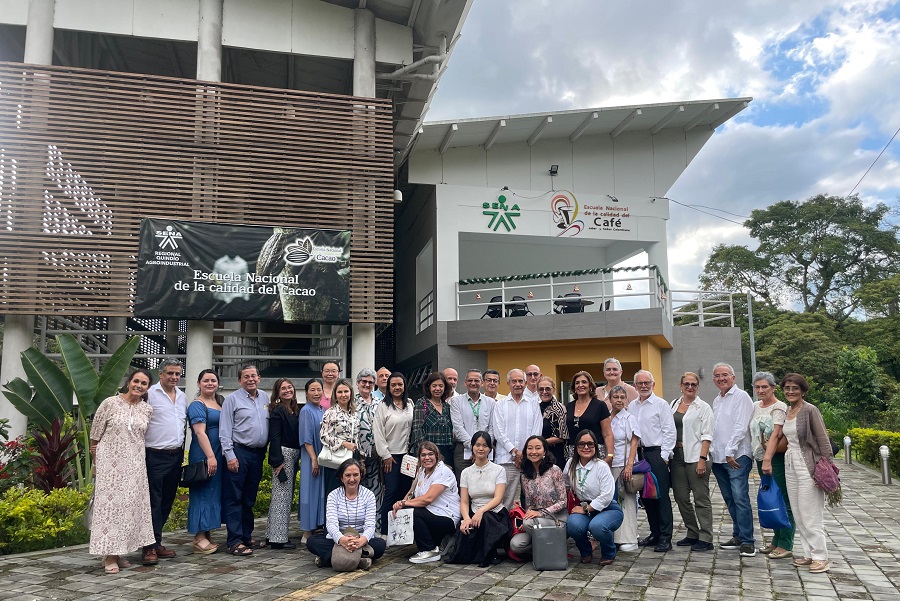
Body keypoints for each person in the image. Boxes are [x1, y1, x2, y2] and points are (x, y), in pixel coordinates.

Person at [763, 374, 833, 573]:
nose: (790, 391)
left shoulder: (810, 410)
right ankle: (808, 554)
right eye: (787, 388)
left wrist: (824, 470)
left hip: (808, 465)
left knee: (811, 513)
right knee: (798, 511)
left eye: (795, 388)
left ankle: (821, 556)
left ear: (803, 390)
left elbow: (824, 442)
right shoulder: (788, 410)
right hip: (790, 464)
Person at [89, 368, 155, 574]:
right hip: (110, 465)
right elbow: (95, 435)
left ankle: (118, 552)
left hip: (135, 466)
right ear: (128, 382)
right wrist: (96, 463)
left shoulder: (147, 409)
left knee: (129, 509)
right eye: (136, 381)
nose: (139, 386)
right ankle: (109, 556)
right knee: (110, 509)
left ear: (147, 388)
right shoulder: (110, 403)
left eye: (143, 384)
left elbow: (141, 438)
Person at [219, 364, 270, 557]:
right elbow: (225, 431)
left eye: (253, 376)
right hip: (238, 453)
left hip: (257, 455)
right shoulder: (232, 400)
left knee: (249, 498)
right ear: (240, 380)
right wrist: (230, 456)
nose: (250, 379)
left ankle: (246, 536)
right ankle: (234, 541)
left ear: (259, 378)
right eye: (246, 377)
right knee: (234, 498)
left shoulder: (264, 397)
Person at [142, 359, 187, 565]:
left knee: (167, 501)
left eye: (177, 374)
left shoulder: (183, 396)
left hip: (175, 456)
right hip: (154, 455)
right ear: (160, 374)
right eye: (170, 373)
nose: (174, 377)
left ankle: (157, 541)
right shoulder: (149, 394)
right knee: (153, 502)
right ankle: (148, 547)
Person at [710, 362, 756, 557]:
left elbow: (741, 426)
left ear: (733, 377)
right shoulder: (717, 400)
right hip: (719, 458)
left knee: (740, 498)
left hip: (736, 457)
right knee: (729, 498)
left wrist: (729, 451)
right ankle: (738, 535)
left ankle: (748, 541)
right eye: (717, 376)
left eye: (725, 375)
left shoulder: (741, 397)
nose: (721, 378)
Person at [307, 458, 386, 571]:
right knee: (312, 542)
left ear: (361, 476)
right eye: (348, 475)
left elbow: (370, 526)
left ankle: (329, 559)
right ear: (341, 477)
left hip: (360, 539)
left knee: (380, 545)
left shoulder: (369, 495)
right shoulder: (333, 495)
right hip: (338, 539)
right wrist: (342, 540)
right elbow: (331, 524)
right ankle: (360, 560)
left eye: (355, 475)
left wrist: (361, 541)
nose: (352, 479)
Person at [628, 370, 676, 552]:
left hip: (656, 454)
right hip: (639, 455)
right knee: (646, 497)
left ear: (653, 384)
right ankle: (655, 533)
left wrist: (664, 456)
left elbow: (669, 431)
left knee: (661, 496)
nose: (643, 386)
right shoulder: (632, 406)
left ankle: (665, 537)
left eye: (647, 383)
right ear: (635, 386)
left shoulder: (661, 405)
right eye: (639, 383)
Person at [393, 441, 461, 563]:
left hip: (447, 516)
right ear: (419, 458)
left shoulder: (443, 471)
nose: (427, 458)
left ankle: (429, 550)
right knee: (406, 510)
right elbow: (411, 493)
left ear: (437, 456)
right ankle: (436, 542)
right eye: (423, 455)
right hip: (431, 513)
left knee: (413, 512)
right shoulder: (422, 472)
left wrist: (405, 504)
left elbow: (428, 499)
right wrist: (400, 503)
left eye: (430, 454)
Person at [669, 372, 714, 552]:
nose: (689, 387)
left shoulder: (703, 407)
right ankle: (692, 532)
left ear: (698, 387)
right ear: (681, 386)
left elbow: (707, 435)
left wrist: (702, 460)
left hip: (696, 456)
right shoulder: (673, 405)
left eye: (693, 384)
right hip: (677, 456)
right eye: (686, 384)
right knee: (680, 497)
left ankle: (706, 537)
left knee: (701, 498)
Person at [751, 371, 794, 559]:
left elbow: (776, 434)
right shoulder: (755, 406)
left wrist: (768, 460)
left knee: (783, 500)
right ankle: (776, 540)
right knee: (772, 499)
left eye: (764, 387)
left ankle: (786, 543)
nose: (761, 390)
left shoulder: (779, 407)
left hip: (775, 459)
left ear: (773, 388)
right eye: (757, 387)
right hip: (761, 459)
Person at [565, 429, 624, 565]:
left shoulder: (601, 466)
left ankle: (609, 551)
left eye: (590, 444)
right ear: (576, 447)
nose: (586, 447)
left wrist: (587, 509)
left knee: (597, 526)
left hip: (608, 508)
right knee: (573, 525)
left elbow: (607, 495)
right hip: (584, 505)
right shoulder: (570, 464)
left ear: (595, 447)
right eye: (582, 444)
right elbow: (565, 485)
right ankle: (586, 552)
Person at [450, 431, 509, 567]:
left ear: (490, 448)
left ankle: (490, 553)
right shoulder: (466, 472)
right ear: (472, 447)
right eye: (477, 445)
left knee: (486, 519)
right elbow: (464, 501)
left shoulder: (499, 470)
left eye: (485, 445)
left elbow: (498, 498)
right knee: (464, 537)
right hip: (474, 511)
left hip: (495, 513)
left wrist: (481, 511)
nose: (481, 449)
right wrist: (466, 518)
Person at [508, 435, 567, 558]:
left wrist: (541, 513)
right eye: (530, 448)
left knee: (529, 524)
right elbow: (530, 504)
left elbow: (563, 502)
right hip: (535, 520)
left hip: (557, 518)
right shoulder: (525, 474)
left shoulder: (554, 470)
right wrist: (526, 517)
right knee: (516, 545)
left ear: (544, 451)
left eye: (538, 448)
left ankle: (551, 549)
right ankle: (548, 547)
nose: (534, 452)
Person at [186, 369, 224, 555]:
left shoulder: (219, 403)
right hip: (204, 453)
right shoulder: (197, 405)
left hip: (219, 454)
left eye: (213, 380)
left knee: (213, 493)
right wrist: (210, 456)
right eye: (206, 380)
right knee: (202, 492)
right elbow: (200, 432)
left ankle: (207, 532)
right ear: (198, 383)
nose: (210, 383)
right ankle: (199, 537)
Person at [493, 369, 542, 509]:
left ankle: (529, 526)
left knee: (532, 498)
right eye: (514, 381)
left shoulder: (533, 404)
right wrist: (515, 452)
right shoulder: (500, 405)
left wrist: (525, 453)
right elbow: (498, 432)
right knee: (505, 499)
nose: (517, 384)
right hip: (506, 460)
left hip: (530, 460)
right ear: (508, 383)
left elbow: (536, 431)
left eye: (520, 381)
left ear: (525, 383)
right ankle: (505, 528)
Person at [373, 372, 414, 535]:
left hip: (408, 456)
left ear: (404, 386)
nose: (397, 388)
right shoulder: (383, 406)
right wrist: (386, 455)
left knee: (406, 492)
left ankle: (402, 532)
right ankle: (384, 531)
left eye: (400, 384)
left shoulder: (410, 403)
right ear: (388, 388)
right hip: (391, 456)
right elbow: (378, 432)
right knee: (391, 491)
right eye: (393, 385)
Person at [265, 378, 301, 550]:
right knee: (282, 498)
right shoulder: (278, 410)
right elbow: (275, 436)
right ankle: (278, 539)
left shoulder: (293, 409)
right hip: (284, 455)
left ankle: (271, 535)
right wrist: (278, 461)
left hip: (292, 455)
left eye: (289, 387)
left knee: (281, 496)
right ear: (277, 392)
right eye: (283, 388)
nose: (287, 390)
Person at [608, 385, 640, 553]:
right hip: (609, 464)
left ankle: (629, 538)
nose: (619, 400)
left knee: (626, 500)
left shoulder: (629, 418)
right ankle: (613, 537)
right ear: (610, 399)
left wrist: (629, 465)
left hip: (624, 464)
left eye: (622, 397)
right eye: (616, 397)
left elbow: (634, 442)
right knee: (612, 501)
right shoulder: (607, 418)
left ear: (626, 399)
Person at [450, 369, 495, 482]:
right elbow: (458, 427)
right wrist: (474, 447)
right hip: (463, 450)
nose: (473, 383)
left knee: (486, 485)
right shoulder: (456, 402)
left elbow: (492, 427)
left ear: (482, 383)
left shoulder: (491, 402)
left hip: (486, 451)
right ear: (465, 382)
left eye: (476, 380)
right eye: (470, 380)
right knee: (463, 485)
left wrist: (483, 448)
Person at [355, 368, 384, 531]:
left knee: (375, 493)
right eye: (364, 382)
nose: (367, 385)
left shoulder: (379, 402)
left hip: (377, 457)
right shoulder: (351, 402)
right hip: (358, 457)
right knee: (358, 492)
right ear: (358, 383)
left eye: (370, 382)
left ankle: (375, 529)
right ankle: (358, 529)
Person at [320, 379, 360, 498]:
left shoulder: (354, 413)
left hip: (353, 457)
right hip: (335, 459)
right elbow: (323, 435)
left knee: (352, 493)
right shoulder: (330, 413)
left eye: (346, 391)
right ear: (335, 395)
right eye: (340, 392)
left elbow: (357, 436)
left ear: (351, 393)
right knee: (334, 493)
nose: (343, 395)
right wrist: (343, 443)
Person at [565, 371, 614, 465]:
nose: (580, 385)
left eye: (584, 382)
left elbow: (608, 434)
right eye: (577, 383)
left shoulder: (600, 405)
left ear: (590, 385)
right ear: (574, 387)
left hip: (595, 452)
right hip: (573, 454)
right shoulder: (569, 407)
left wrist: (610, 455)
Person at [299, 378, 327, 542]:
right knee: (309, 492)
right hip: (312, 456)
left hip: (322, 456)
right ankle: (306, 532)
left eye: (319, 389)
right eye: (312, 390)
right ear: (306, 393)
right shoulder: (306, 411)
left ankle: (317, 525)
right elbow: (306, 439)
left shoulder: (322, 409)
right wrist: (313, 459)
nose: (316, 393)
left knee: (319, 492)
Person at [411, 372, 455, 472]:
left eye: (441, 386)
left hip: (447, 452)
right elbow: (418, 430)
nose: (437, 389)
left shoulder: (447, 406)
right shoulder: (422, 403)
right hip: (429, 453)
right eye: (434, 386)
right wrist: (425, 453)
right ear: (428, 387)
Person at [537, 376, 568, 470]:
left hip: (555, 455)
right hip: (539, 454)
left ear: (553, 390)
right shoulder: (536, 407)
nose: (544, 392)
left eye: (548, 389)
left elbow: (562, 436)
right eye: (541, 389)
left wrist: (539, 443)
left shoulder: (559, 408)